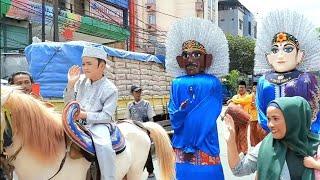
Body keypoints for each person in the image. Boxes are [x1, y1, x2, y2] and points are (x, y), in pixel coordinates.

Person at [166, 17, 229, 179]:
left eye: (196, 55)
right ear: (180, 60)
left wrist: (191, 143)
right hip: (181, 143)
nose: (190, 59)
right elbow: (172, 111)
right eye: (186, 55)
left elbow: (207, 114)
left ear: (206, 60)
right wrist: (180, 112)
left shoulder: (212, 82)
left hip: (203, 142)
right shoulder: (176, 83)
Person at [254, 10, 320, 134]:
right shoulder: (264, 80)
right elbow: (260, 109)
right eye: (275, 50)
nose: (280, 55)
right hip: (271, 136)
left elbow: (316, 112)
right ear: (268, 57)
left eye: (288, 49)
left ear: (300, 55)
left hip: (301, 138)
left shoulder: (307, 79)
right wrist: (271, 129)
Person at [224, 96, 320, 180]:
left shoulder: (317, 147)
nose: (270, 125)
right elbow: (239, 169)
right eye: (269, 119)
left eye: (275, 118)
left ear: (292, 120)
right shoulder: (267, 145)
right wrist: (231, 141)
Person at [64, 46, 118, 180]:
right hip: (76, 122)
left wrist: (84, 115)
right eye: (83, 64)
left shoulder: (111, 89)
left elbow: (106, 116)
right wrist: (70, 84)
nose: (85, 67)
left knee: (104, 146)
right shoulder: (79, 81)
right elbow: (68, 104)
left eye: (89, 64)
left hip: (99, 125)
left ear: (102, 66)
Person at [126, 85, 155, 178]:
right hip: (134, 131)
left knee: (146, 151)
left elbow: (151, 118)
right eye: (136, 92)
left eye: (139, 92)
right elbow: (128, 119)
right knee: (135, 152)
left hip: (144, 131)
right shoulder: (129, 105)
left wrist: (151, 131)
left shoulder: (146, 104)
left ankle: (150, 171)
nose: (138, 94)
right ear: (132, 93)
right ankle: (138, 171)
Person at [227, 81, 251, 154]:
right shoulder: (235, 96)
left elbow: (242, 101)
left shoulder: (248, 96)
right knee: (235, 136)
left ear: (245, 88)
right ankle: (237, 152)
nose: (241, 89)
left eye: (242, 87)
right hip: (235, 120)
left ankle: (245, 152)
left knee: (243, 136)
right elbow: (230, 106)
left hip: (244, 120)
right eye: (240, 87)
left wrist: (232, 100)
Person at [248, 81, 267, 146]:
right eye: (254, 87)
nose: (255, 88)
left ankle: (260, 145)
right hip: (252, 117)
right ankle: (255, 146)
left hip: (260, 117)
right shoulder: (250, 96)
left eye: (256, 87)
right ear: (252, 88)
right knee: (253, 133)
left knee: (259, 132)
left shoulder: (261, 95)